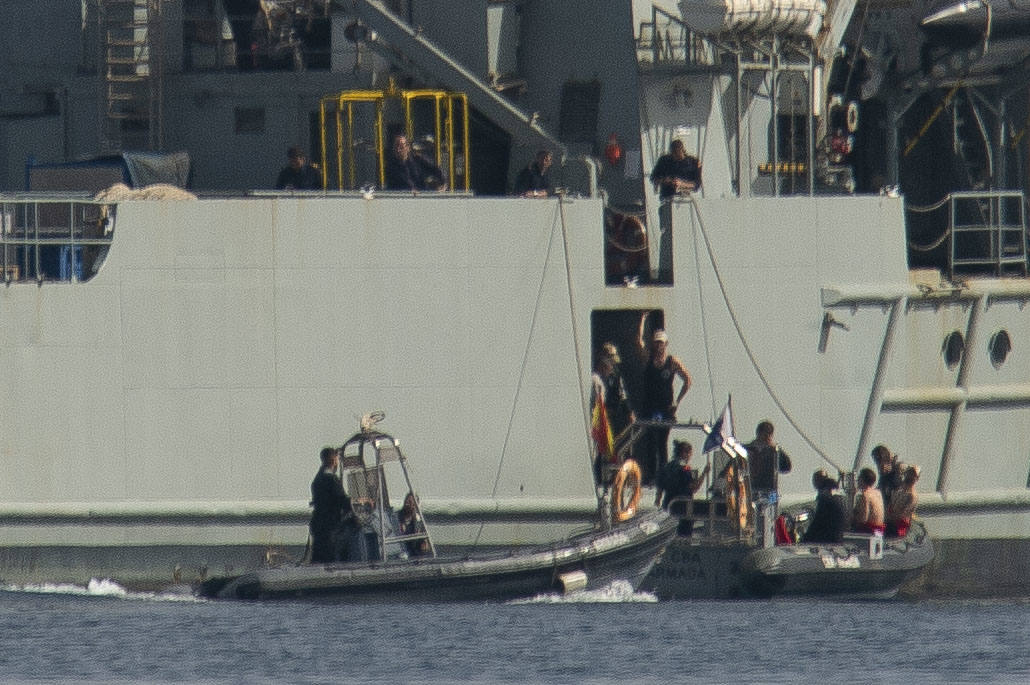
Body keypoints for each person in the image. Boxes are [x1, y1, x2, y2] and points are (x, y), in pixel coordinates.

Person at [636, 327, 692, 485]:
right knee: (650, 442)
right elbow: (638, 344)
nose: (659, 346)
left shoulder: (672, 362)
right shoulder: (649, 358)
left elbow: (687, 380)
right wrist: (642, 322)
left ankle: (662, 476)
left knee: (662, 443)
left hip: (665, 407)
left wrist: (677, 401)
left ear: (666, 344)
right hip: (650, 406)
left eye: (661, 343)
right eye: (656, 342)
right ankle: (652, 476)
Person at [590, 342, 635, 486]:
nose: (611, 366)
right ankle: (599, 478)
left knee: (614, 447)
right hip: (600, 418)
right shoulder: (594, 378)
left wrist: (629, 413)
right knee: (599, 450)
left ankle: (614, 479)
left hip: (613, 416)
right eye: (610, 363)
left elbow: (622, 396)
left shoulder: (615, 377)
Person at [655, 440, 710, 536]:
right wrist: (704, 473)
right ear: (685, 453)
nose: (690, 457)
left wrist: (657, 503)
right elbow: (694, 487)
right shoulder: (684, 469)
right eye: (690, 454)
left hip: (668, 506)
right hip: (683, 509)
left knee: (668, 534)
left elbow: (659, 490)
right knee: (684, 536)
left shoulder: (666, 467)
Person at [309, 446, 353, 563]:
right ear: (333, 461)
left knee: (318, 557)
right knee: (330, 557)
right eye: (337, 460)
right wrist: (358, 502)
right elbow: (342, 500)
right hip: (330, 528)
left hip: (319, 525)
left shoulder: (317, 479)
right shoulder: (331, 480)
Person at [800, 469, 849, 543]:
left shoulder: (825, 500)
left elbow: (817, 522)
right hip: (839, 537)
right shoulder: (840, 498)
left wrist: (805, 538)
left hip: (828, 539)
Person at [744, 421, 792, 496]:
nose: (766, 437)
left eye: (769, 434)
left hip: (770, 491)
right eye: (764, 433)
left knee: (773, 502)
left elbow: (786, 467)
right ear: (758, 433)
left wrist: (777, 450)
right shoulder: (745, 450)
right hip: (750, 490)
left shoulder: (774, 452)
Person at [886, 465, 920, 537]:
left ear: (917, 478)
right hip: (889, 524)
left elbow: (902, 515)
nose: (910, 476)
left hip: (899, 528)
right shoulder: (898, 491)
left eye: (913, 475)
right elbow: (890, 506)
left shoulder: (912, 495)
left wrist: (888, 518)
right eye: (909, 473)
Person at [852, 467, 885, 535]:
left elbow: (863, 519)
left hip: (870, 530)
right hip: (880, 530)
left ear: (863, 480)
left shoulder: (865, 495)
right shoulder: (878, 492)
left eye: (859, 478)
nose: (857, 480)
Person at [871, 444, 905, 508]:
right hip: (885, 504)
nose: (878, 465)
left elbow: (899, 487)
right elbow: (880, 488)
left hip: (894, 507)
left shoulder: (898, 469)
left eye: (878, 460)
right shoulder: (883, 476)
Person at [398, 491, 430, 557]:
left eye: (410, 502)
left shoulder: (419, 519)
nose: (406, 504)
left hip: (414, 551)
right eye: (406, 501)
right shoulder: (397, 516)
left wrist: (424, 543)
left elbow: (424, 537)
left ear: (415, 505)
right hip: (401, 549)